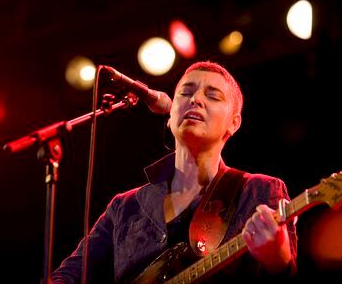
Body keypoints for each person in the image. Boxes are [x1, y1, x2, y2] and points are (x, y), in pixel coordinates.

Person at [51, 60, 298, 283]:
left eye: (212, 96)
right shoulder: (125, 206)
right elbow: (68, 276)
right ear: (169, 117)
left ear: (234, 122)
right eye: (186, 93)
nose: (196, 100)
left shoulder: (259, 191)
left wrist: (278, 260)